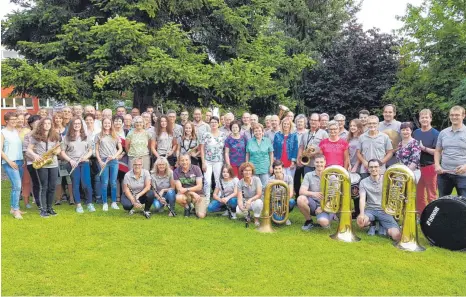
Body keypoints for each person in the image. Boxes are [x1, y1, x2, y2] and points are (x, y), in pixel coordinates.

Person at [357, 159, 401, 240]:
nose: (373, 169)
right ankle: (372, 224)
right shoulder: (363, 182)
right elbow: (362, 199)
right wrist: (362, 214)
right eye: (371, 167)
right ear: (368, 169)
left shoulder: (388, 180)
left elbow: (395, 196)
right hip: (370, 210)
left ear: (380, 168)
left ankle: (382, 226)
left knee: (396, 236)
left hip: (385, 211)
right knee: (360, 222)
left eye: (376, 167)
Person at [27, 117, 61, 218]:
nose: (47, 125)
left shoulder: (55, 136)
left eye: (49, 123)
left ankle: (50, 208)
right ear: (41, 125)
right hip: (42, 164)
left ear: (51, 125)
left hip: (53, 163)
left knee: (52, 187)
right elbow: (29, 150)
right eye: (45, 123)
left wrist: (57, 151)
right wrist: (35, 155)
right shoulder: (35, 136)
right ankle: (43, 209)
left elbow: (59, 148)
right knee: (44, 186)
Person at [60, 117, 95, 213]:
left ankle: (89, 203)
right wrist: (70, 160)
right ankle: (78, 205)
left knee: (86, 183)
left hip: (84, 162)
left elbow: (90, 150)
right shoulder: (66, 138)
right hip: (72, 163)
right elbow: (62, 152)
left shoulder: (86, 136)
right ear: (71, 125)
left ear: (81, 125)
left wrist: (85, 157)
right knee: (76, 184)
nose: (77, 125)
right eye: (75, 123)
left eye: (79, 123)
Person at [434, 105, 466, 197]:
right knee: (443, 201)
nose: (454, 117)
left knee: (463, 204)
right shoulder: (443, 133)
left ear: (463, 116)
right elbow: (437, 151)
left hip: (463, 175)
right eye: (452, 115)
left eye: (457, 115)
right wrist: (437, 165)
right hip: (444, 174)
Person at [297, 154, 333, 230]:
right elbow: (301, 191)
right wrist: (314, 194)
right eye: (317, 162)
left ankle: (325, 218)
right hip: (313, 203)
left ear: (325, 162)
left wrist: (322, 208)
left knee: (323, 223)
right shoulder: (308, 175)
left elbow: (335, 198)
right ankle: (309, 221)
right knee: (300, 199)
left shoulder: (332, 176)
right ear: (314, 163)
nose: (319, 164)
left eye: (321, 162)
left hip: (326, 204)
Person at [413, 109, 439, 214]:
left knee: (431, 195)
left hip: (430, 167)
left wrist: (424, 148)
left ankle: (433, 216)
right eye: (422, 117)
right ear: (419, 119)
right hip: (417, 168)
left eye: (426, 117)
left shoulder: (436, 133)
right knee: (419, 195)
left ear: (430, 119)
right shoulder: (416, 132)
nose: (424, 119)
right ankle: (422, 215)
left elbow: (438, 152)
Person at [96, 118, 123, 211]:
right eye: (105, 123)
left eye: (108, 123)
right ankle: (105, 203)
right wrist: (100, 161)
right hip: (103, 161)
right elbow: (96, 150)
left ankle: (114, 202)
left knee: (113, 182)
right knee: (104, 182)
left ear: (111, 124)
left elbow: (120, 149)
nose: (107, 125)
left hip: (113, 161)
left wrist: (114, 156)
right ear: (102, 124)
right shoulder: (98, 136)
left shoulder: (115, 135)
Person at [1, 112, 25, 219]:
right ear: (6, 121)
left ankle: (13, 208)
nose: (15, 121)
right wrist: (9, 161)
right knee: (17, 186)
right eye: (12, 119)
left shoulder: (16, 132)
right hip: (10, 162)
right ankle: (16, 210)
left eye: (16, 119)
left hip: (19, 161)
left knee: (16, 187)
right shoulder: (3, 132)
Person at [200, 116, 227, 204]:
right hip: (207, 161)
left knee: (218, 180)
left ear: (218, 123)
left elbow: (225, 150)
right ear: (209, 123)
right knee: (207, 181)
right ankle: (206, 200)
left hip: (219, 161)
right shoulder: (205, 135)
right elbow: (202, 149)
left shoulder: (223, 135)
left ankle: (218, 199)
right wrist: (203, 162)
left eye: (215, 122)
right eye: (212, 122)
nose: (213, 124)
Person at [173, 153, 206, 218]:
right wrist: (192, 193)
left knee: (201, 215)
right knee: (178, 197)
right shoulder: (176, 171)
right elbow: (180, 189)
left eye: (186, 160)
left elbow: (199, 186)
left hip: (199, 195)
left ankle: (194, 208)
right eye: (182, 160)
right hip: (186, 194)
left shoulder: (196, 168)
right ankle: (187, 207)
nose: (184, 162)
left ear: (190, 161)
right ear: (179, 161)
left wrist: (188, 190)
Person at [236, 162, 263, 227]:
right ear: (242, 172)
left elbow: (259, 194)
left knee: (258, 203)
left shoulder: (257, 179)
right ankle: (248, 216)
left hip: (255, 201)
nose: (248, 172)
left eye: (249, 170)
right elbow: (239, 198)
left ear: (252, 171)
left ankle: (256, 219)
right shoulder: (240, 182)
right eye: (245, 170)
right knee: (238, 212)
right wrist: (242, 208)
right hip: (245, 202)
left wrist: (250, 200)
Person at [23, 115, 42, 209]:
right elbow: (26, 151)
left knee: (45, 183)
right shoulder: (27, 136)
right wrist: (35, 157)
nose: (38, 124)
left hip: (45, 162)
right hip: (32, 163)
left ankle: (46, 202)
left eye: (39, 122)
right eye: (35, 122)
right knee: (37, 183)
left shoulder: (44, 134)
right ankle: (39, 203)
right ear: (31, 124)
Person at [268, 160, 295, 226]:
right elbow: (268, 194)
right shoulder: (270, 180)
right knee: (278, 220)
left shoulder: (289, 178)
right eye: (276, 169)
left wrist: (284, 200)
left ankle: (285, 216)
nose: (278, 171)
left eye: (279, 168)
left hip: (285, 200)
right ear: (273, 169)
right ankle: (277, 214)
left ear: (282, 169)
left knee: (291, 202)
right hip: (275, 202)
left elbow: (291, 193)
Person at [246, 123, 274, 187]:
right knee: (254, 186)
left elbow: (271, 154)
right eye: (255, 131)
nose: (257, 132)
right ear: (253, 132)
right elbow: (247, 154)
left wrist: (271, 166)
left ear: (262, 131)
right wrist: (247, 165)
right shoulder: (250, 142)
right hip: (253, 167)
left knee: (266, 186)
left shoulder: (267, 141)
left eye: (259, 131)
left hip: (265, 168)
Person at [293, 114, 309, 195]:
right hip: (294, 158)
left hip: (306, 159)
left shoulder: (308, 132)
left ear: (305, 123)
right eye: (298, 122)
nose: (300, 123)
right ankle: (297, 196)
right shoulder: (293, 133)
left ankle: (306, 195)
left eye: (301, 122)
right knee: (296, 179)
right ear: (296, 123)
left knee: (306, 178)